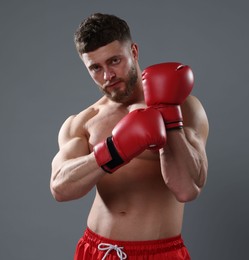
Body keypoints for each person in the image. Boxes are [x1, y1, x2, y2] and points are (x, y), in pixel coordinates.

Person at [50, 13, 208, 260]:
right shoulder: (84, 121)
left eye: (114, 61)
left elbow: (188, 189)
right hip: (95, 249)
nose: (107, 76)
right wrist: (114, 150)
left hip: (157, 253)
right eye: (95, 67)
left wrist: (169, 120)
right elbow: (60, 188)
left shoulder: (184, 107)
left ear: (133, 51)